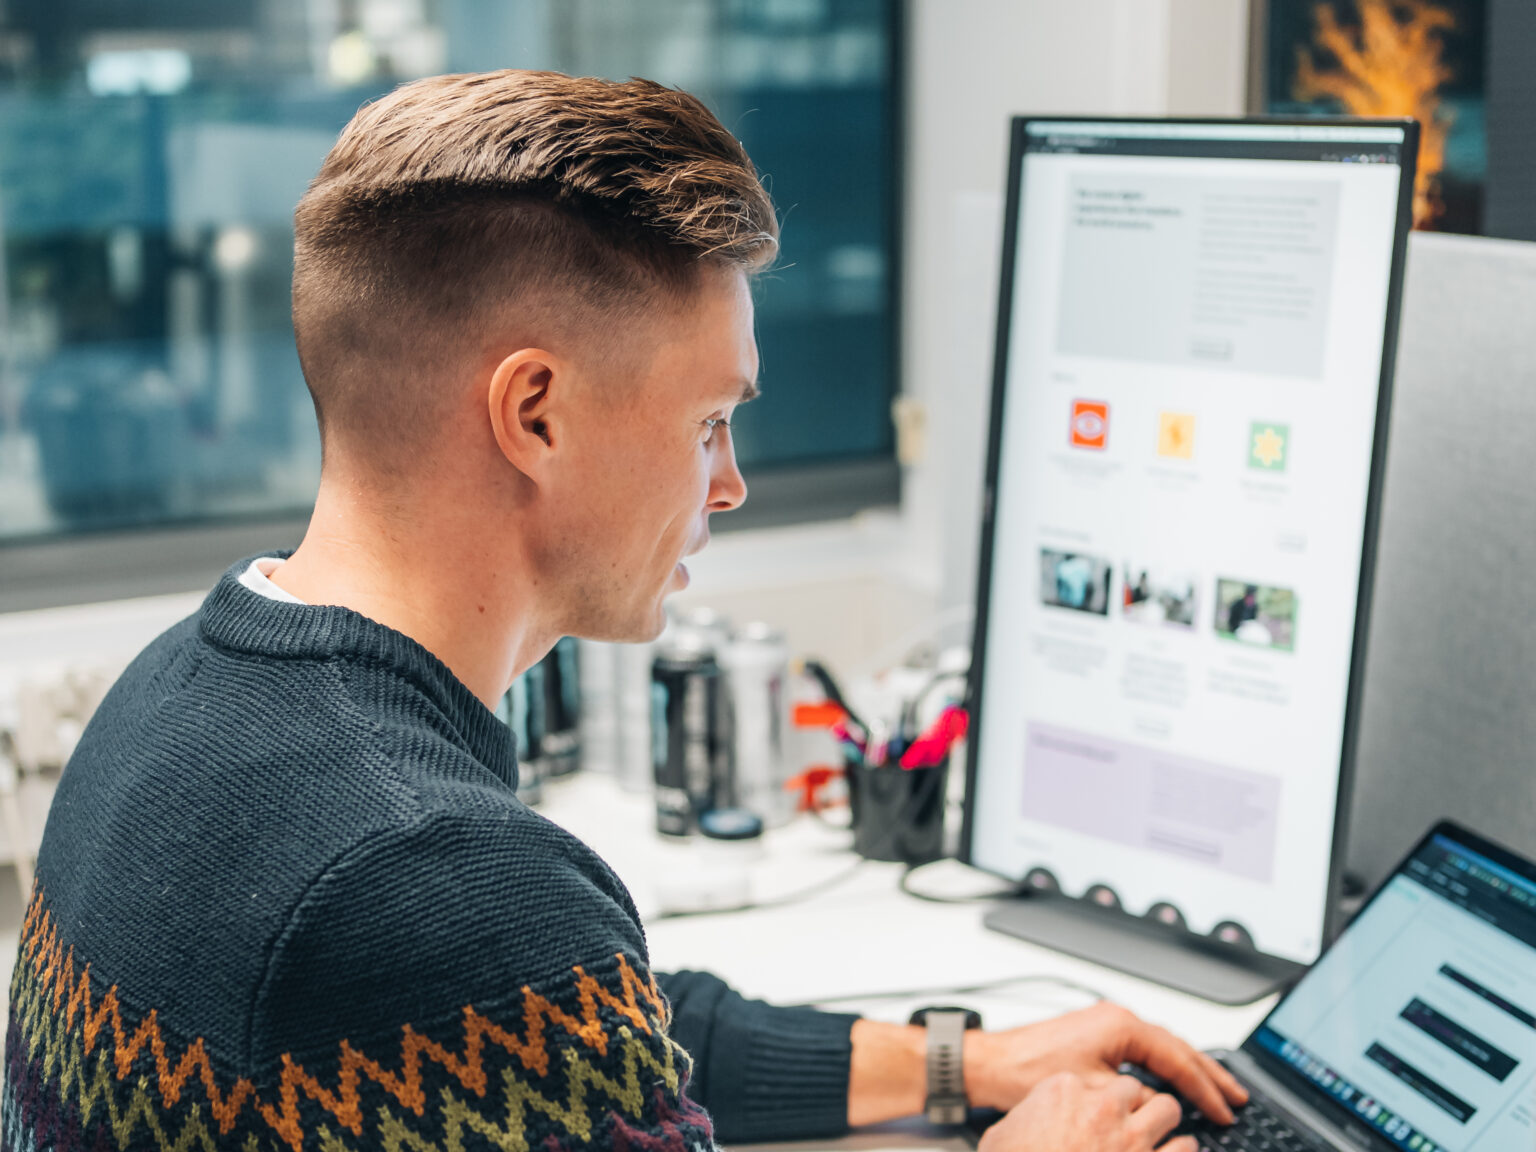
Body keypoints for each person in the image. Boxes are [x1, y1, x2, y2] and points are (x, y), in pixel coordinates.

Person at [1, 71, 1246, 1152]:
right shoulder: (426, 872)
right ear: (534, 413)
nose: (731, 483)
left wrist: (959, 1064)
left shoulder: (188, 687)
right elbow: (521, 976)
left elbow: (593, 1027)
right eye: (709, 421)